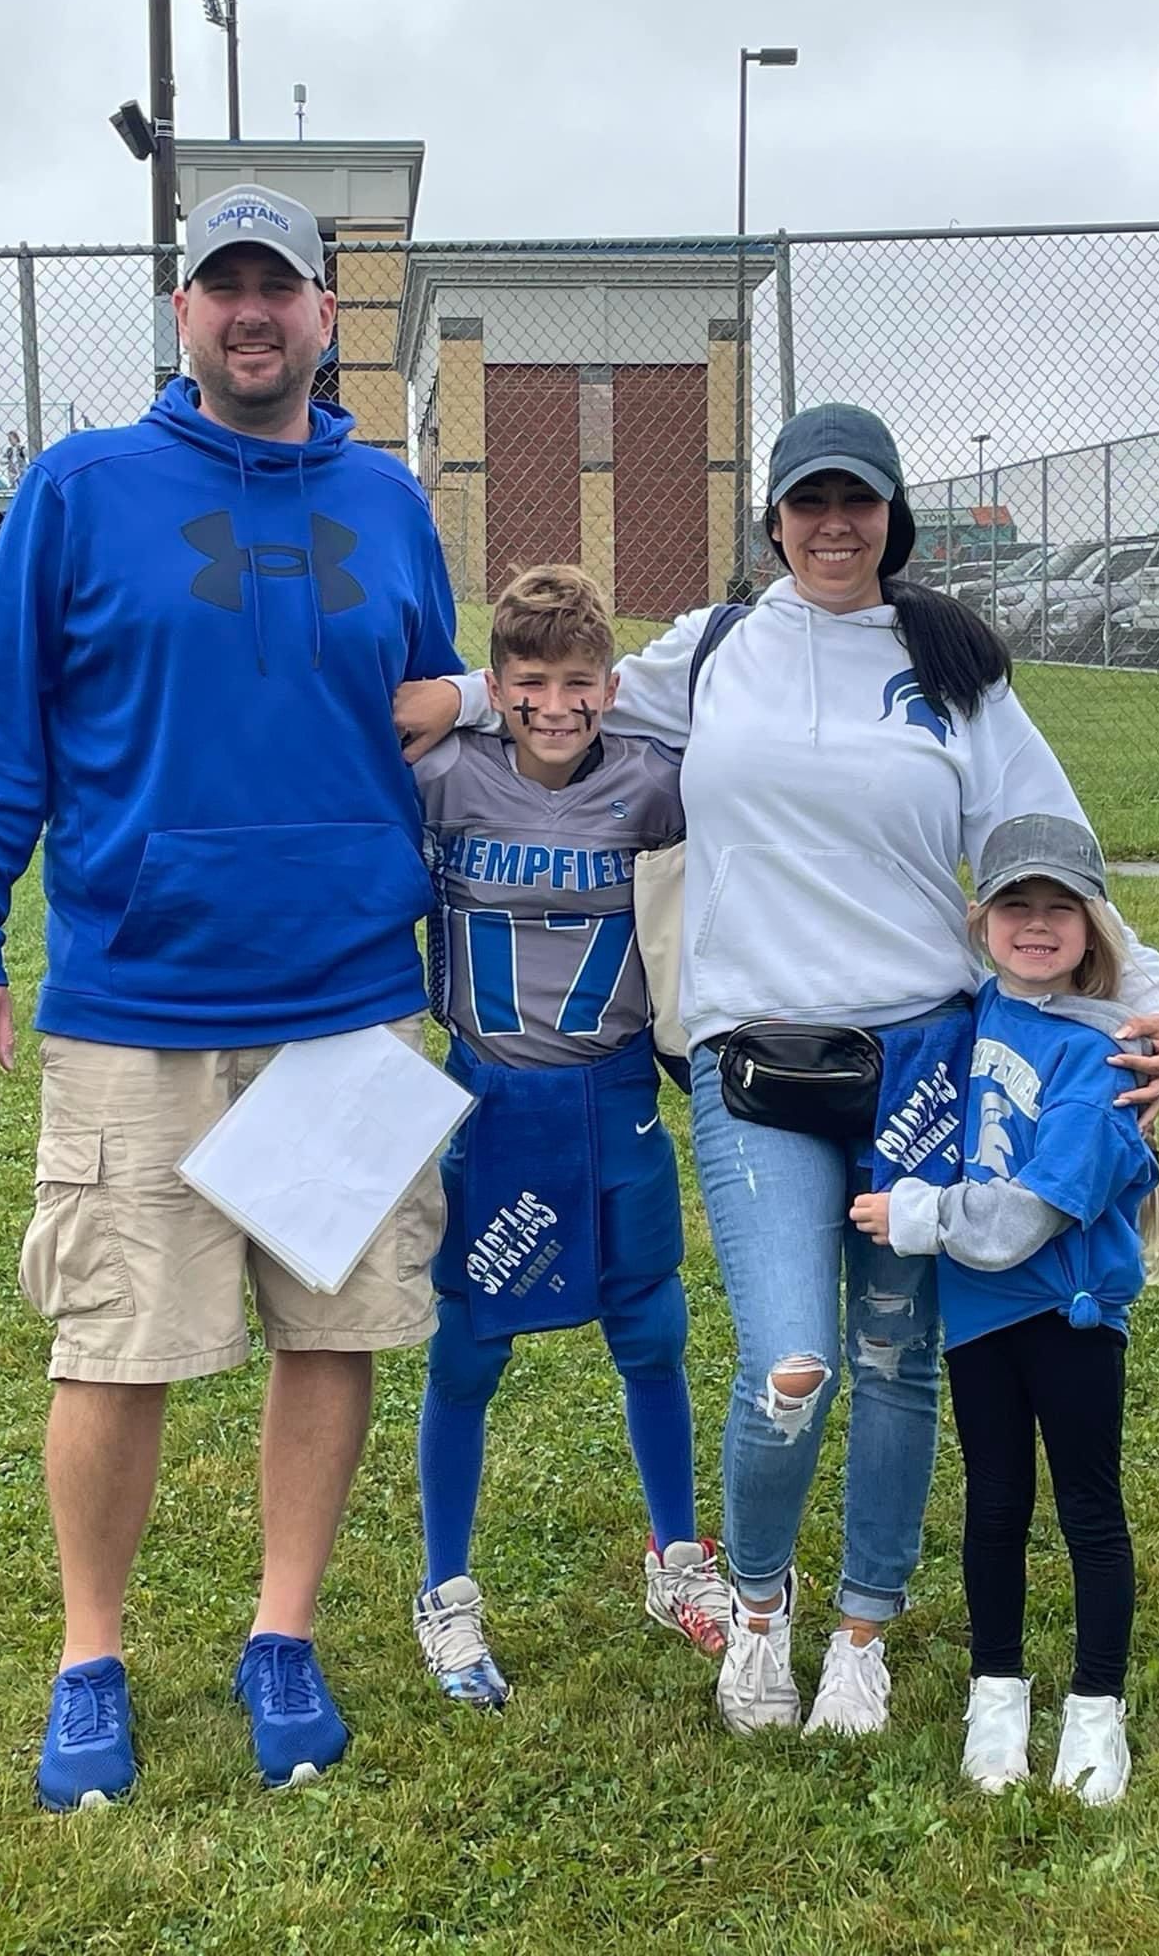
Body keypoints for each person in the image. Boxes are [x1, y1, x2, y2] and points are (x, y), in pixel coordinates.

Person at [393, 404, 1159, 1740]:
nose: (835, 526)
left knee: (894, 1362)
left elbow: (1054, 850)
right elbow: (568, 688)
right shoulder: (714, 654)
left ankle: (862, 1631)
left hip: (924, 1063)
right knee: (791, 1363)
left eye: (859, 503)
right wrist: (460, 696)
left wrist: (1146, 998)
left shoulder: (955, 671)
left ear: (892, 518)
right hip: (753, 1059)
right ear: (771, 519)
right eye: (810, 503)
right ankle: (760, 1611)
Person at [0, 182, 461, 1811]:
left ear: (323, 312)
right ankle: (92, 1656)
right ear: (183, 316)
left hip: (350, 996)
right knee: (118, 1346)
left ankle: (279, 1632)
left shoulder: (389, 501)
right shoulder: (84, 489)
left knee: (334, 1324)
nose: (250, 313)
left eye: (277, 286)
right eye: (221, 287)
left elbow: (426, 713)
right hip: (139, 1001)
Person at [410, 565, 728, 1707]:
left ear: (611, 684)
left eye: (579, 679)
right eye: (530, 682)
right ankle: (445, 1584)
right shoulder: (445, 776)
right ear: (496, 687)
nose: (557, 703)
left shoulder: (657, 782)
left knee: (650, 1324)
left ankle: (677, 1554)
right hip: (490, 1096)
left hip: (615, 1091)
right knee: (469, 1345)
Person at [852, 813, 1159, 1804]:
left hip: (1068, 1311)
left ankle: (1095, 1710)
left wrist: (917, 1212)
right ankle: (996, 1696)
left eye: (1059, 908)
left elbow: (1028, 1212)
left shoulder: (1105, 1052)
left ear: (1091, 926)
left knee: (1088, 1505)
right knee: (994, 1502)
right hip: (981, 1311)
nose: (1036, 925)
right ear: (982, 918)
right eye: (1014, 905)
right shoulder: (966, 1017)